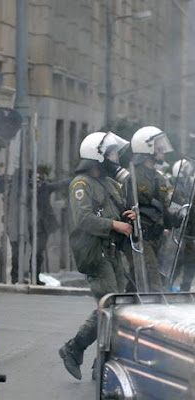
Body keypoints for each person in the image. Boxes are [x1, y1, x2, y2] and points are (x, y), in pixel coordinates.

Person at [59, 131, 135, 380]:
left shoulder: (111, 183)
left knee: (114, 307)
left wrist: (128, 217)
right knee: (111, 308)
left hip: (113, 252)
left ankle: (92, 357)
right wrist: (115, 226)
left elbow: (118, 211)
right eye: (111, 153)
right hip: (95, 253)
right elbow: (83, 219)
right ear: (98, 156)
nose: (115, 157)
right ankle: (85, 354)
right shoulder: (81, 184)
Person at [129, 126, 179, 292]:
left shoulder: (159, 177)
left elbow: (164, 207)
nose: (163, 150)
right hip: (142, 238)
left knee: (133, 288)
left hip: (158, 237)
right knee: (155, 286)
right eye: (159, 146)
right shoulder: (132, 176)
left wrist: (178, 217)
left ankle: (108, 316)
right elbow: (125, 205)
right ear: (147, 148)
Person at [28, 170, 70, 284]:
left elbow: (60, 184)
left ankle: (35, 277)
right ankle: (32, 276)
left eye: (39, 179)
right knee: (34, 252)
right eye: (34, 179)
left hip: (43, 226)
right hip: (31, 226)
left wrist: (77, 178)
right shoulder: (27, 189)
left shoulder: (45, 188)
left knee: (39, 252)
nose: (37, 181)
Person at [170, 159, 195, 291]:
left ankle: (182, 289)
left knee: (187, 264)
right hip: (183, 233)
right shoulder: (177, 189)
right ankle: (175, 288)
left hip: (187, 233)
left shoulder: (187, 187)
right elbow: (175, 209)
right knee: (179, 263)